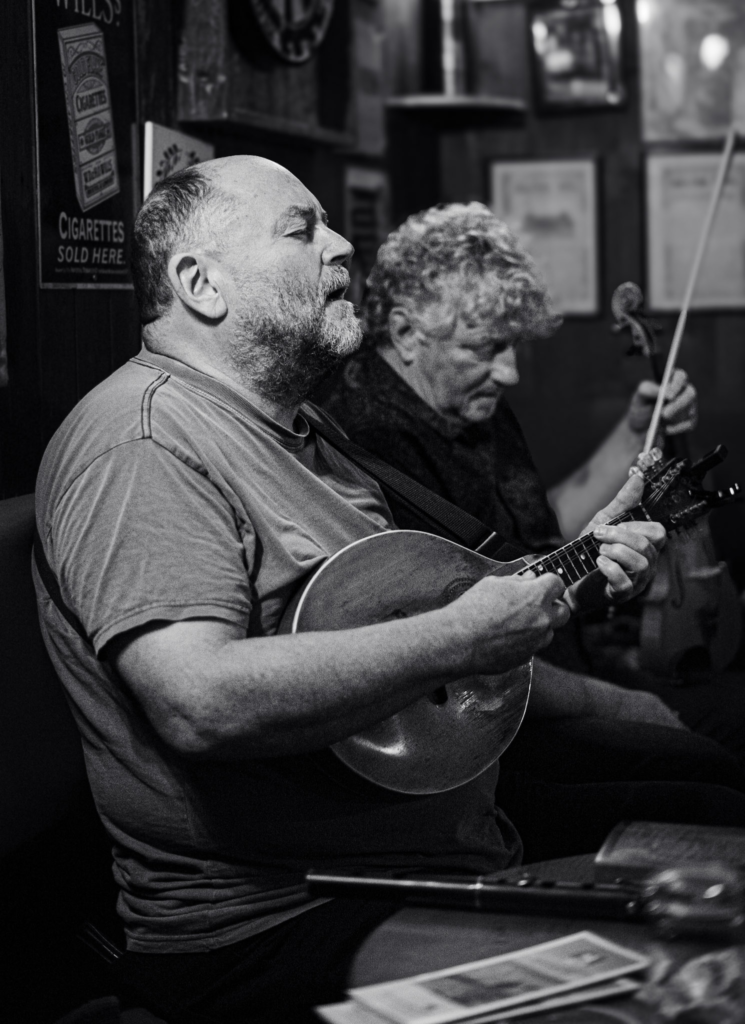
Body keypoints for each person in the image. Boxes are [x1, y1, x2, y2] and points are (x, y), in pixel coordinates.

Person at [32, 161, 742, 1024]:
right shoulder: (143, 442)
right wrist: (459, 640)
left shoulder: (304, 431)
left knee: (715, 846)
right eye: (301, 230)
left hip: (441, 850)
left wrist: (576, 560)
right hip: (282, 921)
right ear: (198, 282)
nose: (340, 246)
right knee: (681, 994)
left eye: (329, 224)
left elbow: (423, 611)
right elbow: (199, 701)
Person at [322, 201, 745, 852]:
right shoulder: (370, 439)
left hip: (567, 670)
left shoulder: (463, 399)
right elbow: (443, 651)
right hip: (505, 722)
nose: (510, 371)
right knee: (713, 787)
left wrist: (633, 435)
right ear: (406, 334)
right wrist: (620, 701)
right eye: (487, 349)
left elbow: (532, 546)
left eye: (512, 346)